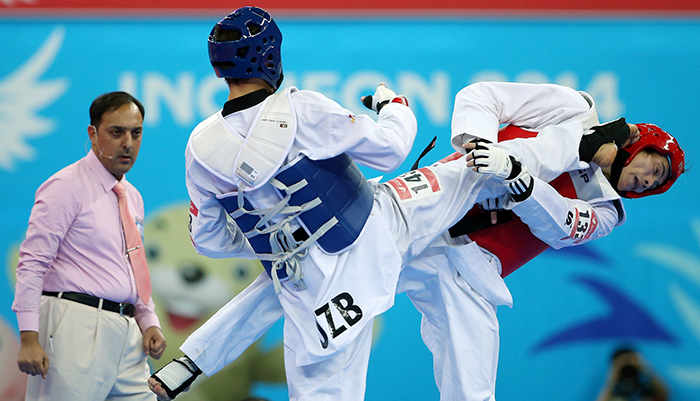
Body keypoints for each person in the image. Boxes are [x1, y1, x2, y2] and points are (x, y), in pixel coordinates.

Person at [148, 7, 540, 401]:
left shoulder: (200, 147)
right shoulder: (303, 109)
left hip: (306, 286)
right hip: (376, 232)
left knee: (319, 383)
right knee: (469, 170)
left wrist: (277, 238)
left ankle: (192, 362)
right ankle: (575, 149)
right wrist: (395, 107)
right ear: (270, 55)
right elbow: (390, 150)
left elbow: (208, 241)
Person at [397, 81, 684, 401]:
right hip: (429, 204)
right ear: (641, 143)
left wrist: (517, 178)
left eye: (655, 184)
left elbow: (559, 224)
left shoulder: (607, 212)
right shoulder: (577, 112)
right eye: (654, 168)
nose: (647, 181)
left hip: (468, 273)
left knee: (473, 393)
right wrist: (480, 150)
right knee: (340, 289)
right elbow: (481, 96)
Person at [13, 91, 167, 401]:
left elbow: (130, 267)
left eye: (136, 133)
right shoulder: (65, 186)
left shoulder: (132, 196)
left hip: (127, 333)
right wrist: (29, 337)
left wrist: (148, 320)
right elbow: (32, 263)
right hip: (74, 324)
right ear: (93, 134)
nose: (128, 142)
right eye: (117, 132)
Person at [595, 347, 669, 401]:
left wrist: (647, 369)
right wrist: (612, 380)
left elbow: (664, 395)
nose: (627, 365)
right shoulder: (614, 391)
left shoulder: (645, 386)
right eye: (621, 361)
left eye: (630, 359)